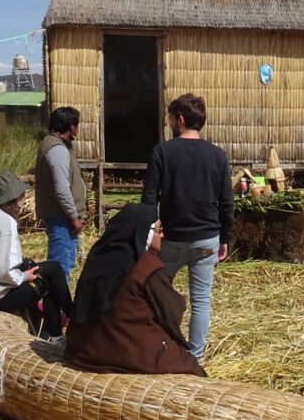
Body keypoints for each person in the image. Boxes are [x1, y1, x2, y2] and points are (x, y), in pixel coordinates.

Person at [141, 93, 234, 360]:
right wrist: (225, 237)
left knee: (158, 292)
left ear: (180, 119)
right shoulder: (217, 155)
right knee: (201, 300)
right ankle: (195, 358)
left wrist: (149, 236)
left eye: (171, 118)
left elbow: (148, 201)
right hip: (207, 239)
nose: (169, 123)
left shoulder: (162, 152)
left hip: (171, 239)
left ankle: (161, 345)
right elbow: (227, 202)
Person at [65, 204, 205, 376]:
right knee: (192, 366)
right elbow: (172, 313)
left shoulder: (98, 257)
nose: (163, 234)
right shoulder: (148, 269)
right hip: (126, 352)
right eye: (159, 229)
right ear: (143, 232)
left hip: (84, 350)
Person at [0, 171, 72, 342]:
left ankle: (65, 322)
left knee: (53, 267)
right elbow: (4, 273)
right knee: (48, 280)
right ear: (13, 198)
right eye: (22, 194)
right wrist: (24, 276)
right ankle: (64, 329)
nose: (25, 197)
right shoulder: (6, 222)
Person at [35, 106, 88, 281]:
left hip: (62, 216)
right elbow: (61, 187)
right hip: (61, 217)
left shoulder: (56, 145)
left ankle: (57, 303)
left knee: (65, 262)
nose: (77, 129)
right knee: (60, 265)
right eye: (77, 124)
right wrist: (74, 217)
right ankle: (53, 305)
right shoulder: (57, 149)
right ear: (71, 127)